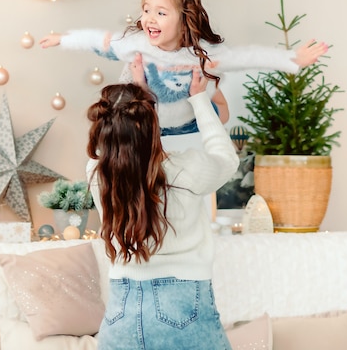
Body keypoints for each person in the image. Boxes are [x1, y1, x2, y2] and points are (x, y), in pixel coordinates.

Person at [41, 0, 327, 136]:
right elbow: (101, 41)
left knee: (212, 103)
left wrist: (293, 60)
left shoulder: (201, 55)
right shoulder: (138, 45)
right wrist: (63, 38)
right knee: (127, 103)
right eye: (146, 10)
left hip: (186, 126)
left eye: (161, 13)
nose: (148, 19)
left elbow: (247, 57)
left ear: (184, 18)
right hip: (150, 129)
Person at [85, 62, 239, 349]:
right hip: (184, 306)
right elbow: (227, 159)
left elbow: (129, 143)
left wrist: (138, 96)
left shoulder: (96, 174)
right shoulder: (185, 169)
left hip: (121, 315)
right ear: (152, 123)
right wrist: (198, 98)